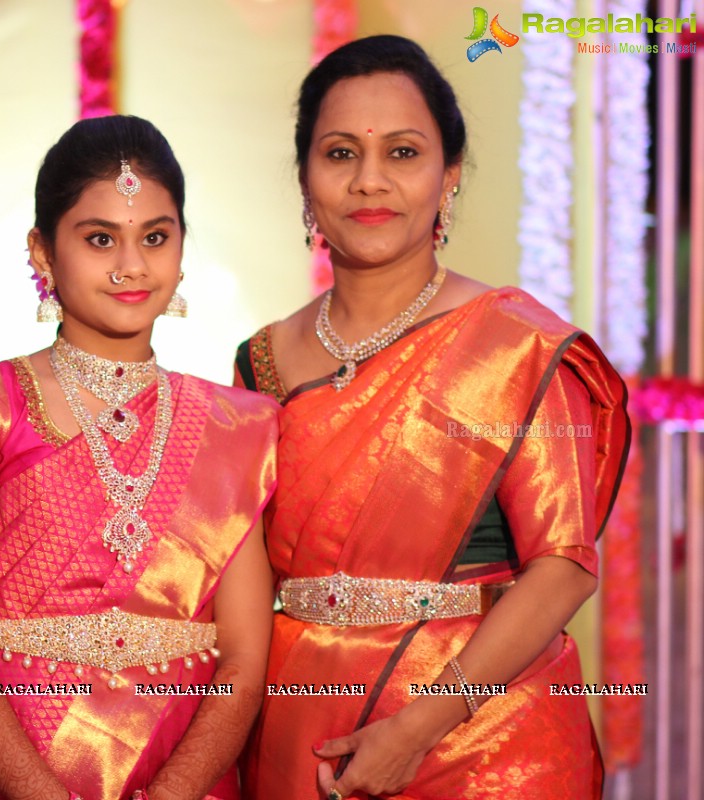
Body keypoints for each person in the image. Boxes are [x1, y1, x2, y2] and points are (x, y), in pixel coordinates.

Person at [236, 36, 628, 800]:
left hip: (484, 739)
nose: (369, 180)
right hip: (302, 730)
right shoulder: (262, 363)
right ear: (305, 180)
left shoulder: (517, 344)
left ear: (448, 177)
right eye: (341, 153)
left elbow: (564, 568)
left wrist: (415, 732)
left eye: (404, 153)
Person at [0, 115, 278, 800]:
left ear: (182, 249)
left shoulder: (237, 427)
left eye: (155, 238)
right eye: (100, 238)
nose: (132, 266)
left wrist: (174, 793)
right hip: (2, 777)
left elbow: (245, 660)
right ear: (43, 252)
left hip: (185, 775)